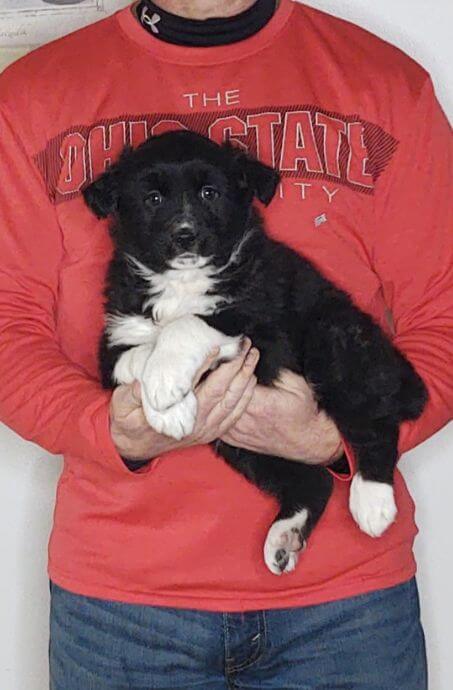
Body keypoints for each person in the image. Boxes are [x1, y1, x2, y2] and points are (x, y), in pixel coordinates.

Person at [0, 0, 451, 688]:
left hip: (346, 603)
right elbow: (8, 325)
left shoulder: (384, 84)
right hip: (122, 607)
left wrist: (340, 437)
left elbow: (444, 315)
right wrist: (106, 430)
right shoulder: (33, 95)